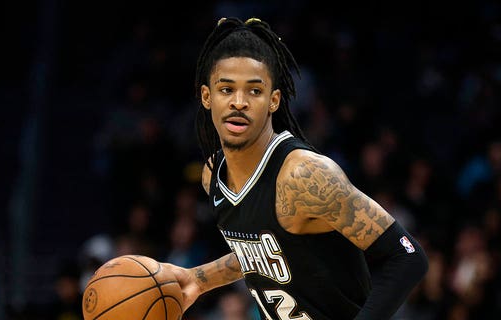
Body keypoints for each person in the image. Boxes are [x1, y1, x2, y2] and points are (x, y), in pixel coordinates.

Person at [162, 17, 429, 320]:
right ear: (207, 97)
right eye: (226, 89)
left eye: (254, 91)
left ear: (274, 100)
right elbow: (270, 252)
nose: (239, 102)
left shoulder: (304, 176)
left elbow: (407, 257)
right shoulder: (213, 175)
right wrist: (198, 280)